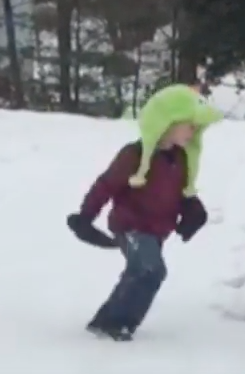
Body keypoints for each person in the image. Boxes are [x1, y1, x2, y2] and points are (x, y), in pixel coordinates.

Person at [66, 84, 224, 341]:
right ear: (167, 122)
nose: (194, 130)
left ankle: (111, 322)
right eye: (189, 124)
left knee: (143, 272)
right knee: (149, 269)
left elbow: (181, 191)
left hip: (157, 230)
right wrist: (85, 217)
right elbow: (105, 184)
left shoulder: (181, 158)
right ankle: (115, 323)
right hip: (130, 225)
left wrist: (193, 209)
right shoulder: (134, 155)